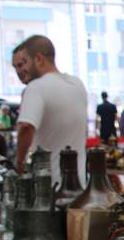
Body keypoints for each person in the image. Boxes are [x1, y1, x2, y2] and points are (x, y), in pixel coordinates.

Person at [12, 35, 88, 183]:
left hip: (49, 186)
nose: (21, 71)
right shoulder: (77, 84)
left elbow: (26, 127)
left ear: (39, 59)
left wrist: (19, 163)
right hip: (79, 184)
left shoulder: (36, 88)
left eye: (24, 63)